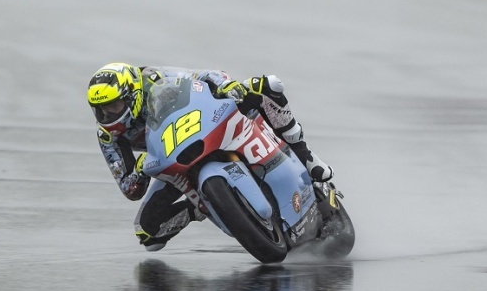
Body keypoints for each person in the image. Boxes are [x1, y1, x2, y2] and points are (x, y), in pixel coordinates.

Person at [87, 63, 332, 251]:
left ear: (132, 94)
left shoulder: (152, 79)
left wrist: (226, 86)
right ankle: (199, 208)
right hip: (171, 159)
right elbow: (129, 189)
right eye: (101, 110)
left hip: (202, 126)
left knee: (266, 85)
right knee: (148, 233)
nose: (107, 115)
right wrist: (140, 171)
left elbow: (202, 76)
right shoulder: (108, 136)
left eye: (114, 106)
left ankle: (305, 155)